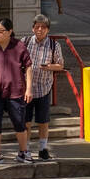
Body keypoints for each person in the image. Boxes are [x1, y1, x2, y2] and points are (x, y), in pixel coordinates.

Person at [0, 17, 33, 165]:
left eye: (1, 31)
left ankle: (23, 152)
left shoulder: (19, 46)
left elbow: (28, 67)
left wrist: (29, 89)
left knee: (19, 122)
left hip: (15, 90)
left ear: (10, 32)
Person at [22, 14, 66, 161]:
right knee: (26, 121)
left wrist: (48, 67)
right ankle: (25, 149)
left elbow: (60, 65)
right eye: (37, 27)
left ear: (47, 30)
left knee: (43, 121)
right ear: (32, 28)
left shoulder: (54, 45)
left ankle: (43, 149)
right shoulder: (26, 41)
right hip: (26, 89)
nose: (39, 30)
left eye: (43, 27)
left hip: (44, 88)